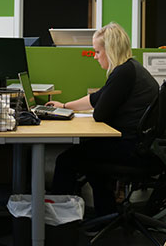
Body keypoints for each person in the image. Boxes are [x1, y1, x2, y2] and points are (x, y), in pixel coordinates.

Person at [45, 22, 158, 217]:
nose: (95, 57)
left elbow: (100, 113)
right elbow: (97, 98)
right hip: (138, 144)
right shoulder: (129, 68)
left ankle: (57, 219)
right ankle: (105, 214)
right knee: (90, 153)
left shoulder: (123, 73)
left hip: (130, 147)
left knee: (67, 160)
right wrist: (64, 106)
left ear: (110, 50)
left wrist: (87, 107)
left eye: (97, 52)